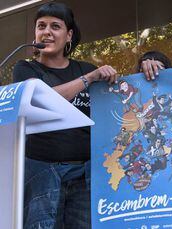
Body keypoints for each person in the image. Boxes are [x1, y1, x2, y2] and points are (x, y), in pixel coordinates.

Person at [12, 2, 117, 228]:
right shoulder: (25, 69)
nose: (46, 31)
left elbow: (119, 106)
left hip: (86, 173)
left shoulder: (85, 68)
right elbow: (41, 99)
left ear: (69, 35)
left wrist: (152, 63)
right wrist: (88, 79)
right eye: (41, 26)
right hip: (41, 170)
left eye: (55, 26)